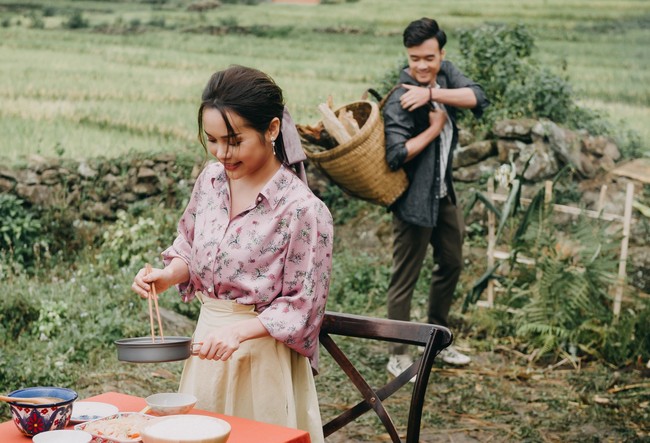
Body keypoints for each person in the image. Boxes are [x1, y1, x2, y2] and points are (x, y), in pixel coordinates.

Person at [131, 65, 333, 442]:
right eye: (212, 140)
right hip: (207, 349)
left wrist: (239, 332)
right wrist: (169, 274)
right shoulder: (210, 180)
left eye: (234, 140)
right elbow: (189, 245)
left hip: (263, 359)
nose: (222, 153)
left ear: (271, 129)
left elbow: (303, 307)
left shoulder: (303, 211)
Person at [382, 18, 489, 376]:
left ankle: (436, 342)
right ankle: (397, 353)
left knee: (453, 262)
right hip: (412, 200)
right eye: (415, 58)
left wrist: (432, 94)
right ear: (407, 57)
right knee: (405, 278)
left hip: (444, 195)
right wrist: (433, 129)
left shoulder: (444, 79)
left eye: (429, 57)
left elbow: (478, 97)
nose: (422, 65)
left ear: (441, 54)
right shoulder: (400, 96)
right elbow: (396, 154)